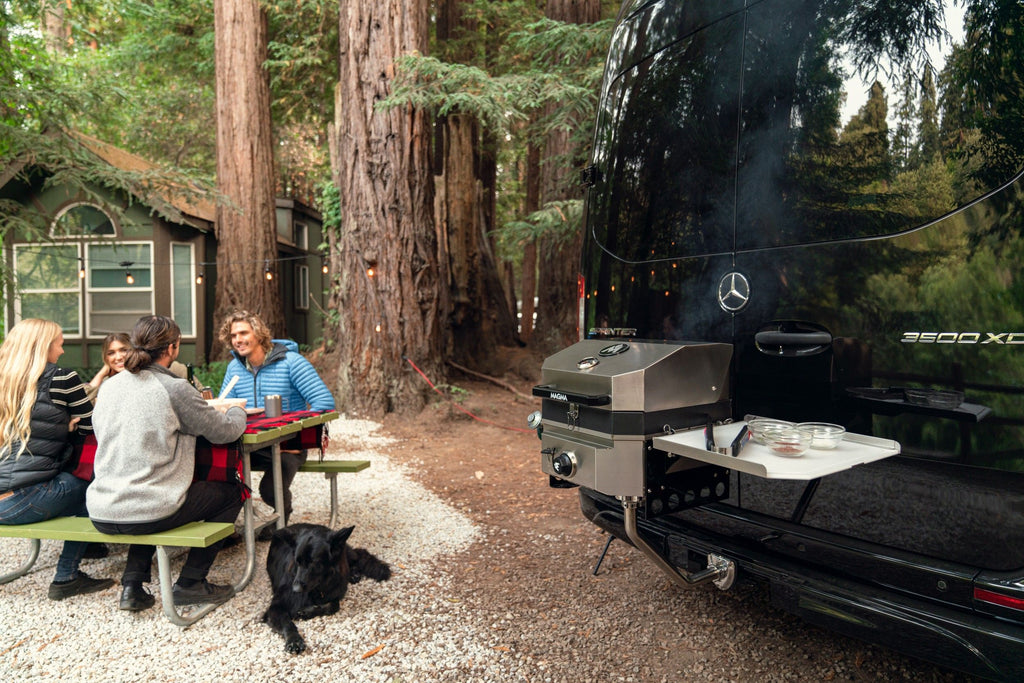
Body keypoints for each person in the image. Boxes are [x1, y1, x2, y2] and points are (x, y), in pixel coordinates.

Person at [88, 315, 247, 611]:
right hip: (148, 507)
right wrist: (237, 411)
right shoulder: (174, 388)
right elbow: (224, 432)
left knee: (148, 495)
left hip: (101, 507)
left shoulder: (109, 387)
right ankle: (191, 582)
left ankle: (132, 586)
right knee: (232, 493)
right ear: (172, 347)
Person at [0, 319, 115, 600]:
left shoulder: (4, 379)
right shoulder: (62, 378)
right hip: (24, 500)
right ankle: (66, 576)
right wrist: (67, 426)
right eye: (59, 344)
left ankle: (88, 546)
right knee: (92, 487)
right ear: (43, 346)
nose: (62, 351)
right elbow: (92, 426)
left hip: (5, 500)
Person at [217, 310, 334, 528]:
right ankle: (225, 531)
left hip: (286, 448)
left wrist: (297, 441)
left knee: (270, 490)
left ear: (258, 333)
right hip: (249, 446)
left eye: (243, 333)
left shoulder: (292, 362)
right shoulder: (234, 368)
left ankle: (281, 518)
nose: (238, 340)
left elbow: (324, 403)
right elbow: (224, 408)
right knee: (219, 478)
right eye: (233, 335)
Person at [86, 332, 131, 402]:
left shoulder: (142, 377)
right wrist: (101, 373)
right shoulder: (106, 382)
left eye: (124, 350)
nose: (118, 357)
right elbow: (83, 402)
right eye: (111, 353)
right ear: (106, 358)